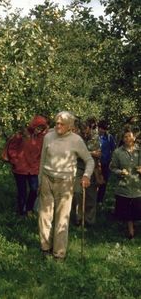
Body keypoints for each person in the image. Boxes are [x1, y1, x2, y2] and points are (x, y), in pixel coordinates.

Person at [38, 111, 94, 261]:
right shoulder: (48, 136)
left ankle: (59, 254)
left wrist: (86, 175)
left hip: (65, 182)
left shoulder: (76, 140)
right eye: (56, 123)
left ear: (70, 126)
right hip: (47, 179)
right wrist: (39, 180)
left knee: (62, 217)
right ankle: (45, 248)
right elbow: (42, 159)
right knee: (45, 216)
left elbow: (89, 160)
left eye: (61, 124)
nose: (58, 126)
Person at [7, 115, 49, 216]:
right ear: (33, 125)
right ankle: (22, 212)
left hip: (33, 168)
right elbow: (11, 148)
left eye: (41, 129)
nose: (38, 130)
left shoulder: (41, 138)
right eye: (37, 128)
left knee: (34, 189)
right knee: (22, 191)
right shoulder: (22, 134)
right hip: (20, 168)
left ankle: (29, 208)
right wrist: (15, 160)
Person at [110, 126, 141, 239]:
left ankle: (135, 226)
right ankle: (131, 232)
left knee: (137, 209)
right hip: (124, 186)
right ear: (123, 139)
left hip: (138, 186)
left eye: (130, 136)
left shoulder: (139, 151)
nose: (128, 138)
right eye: (125, 136)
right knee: (128, 212)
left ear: (134, 137)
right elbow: (112, 167)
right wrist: (120, 172)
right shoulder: (118, 152)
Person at [73, 120, 101, 226]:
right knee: (77, 193)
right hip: (79, 168)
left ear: (90, 128)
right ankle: (78, 218)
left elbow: (98, 155)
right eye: (82, 128)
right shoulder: (76, 139)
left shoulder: (95, 139)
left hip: (93, 168)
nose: (85, 131)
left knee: (91, 195)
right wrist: (91, 153)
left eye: (86, 128)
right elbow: (75, 153)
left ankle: (89, 220)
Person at [97, 119, 116, 204]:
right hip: (95, 163)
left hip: (105, 163)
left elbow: (113, 149)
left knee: (104, 182)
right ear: (98, 128)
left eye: (104, 129)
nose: (102, 130)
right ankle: (93, 198)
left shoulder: (109, 137)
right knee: (95, 181)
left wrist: (111, 160)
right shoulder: (95, 137)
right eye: (101, 128)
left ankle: (100, 199)